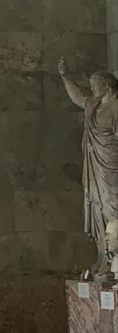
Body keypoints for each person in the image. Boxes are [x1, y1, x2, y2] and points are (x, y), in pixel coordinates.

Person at [58, 58, 118, 277]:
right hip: (94, 163)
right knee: (98, 207)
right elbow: (79, 99)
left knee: (113, 206)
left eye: (96, 85)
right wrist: (65, 78)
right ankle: (104, 256)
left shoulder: (116, 106)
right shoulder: (94, 104)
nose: (92, 89)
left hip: (111, 163)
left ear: (108, 86)